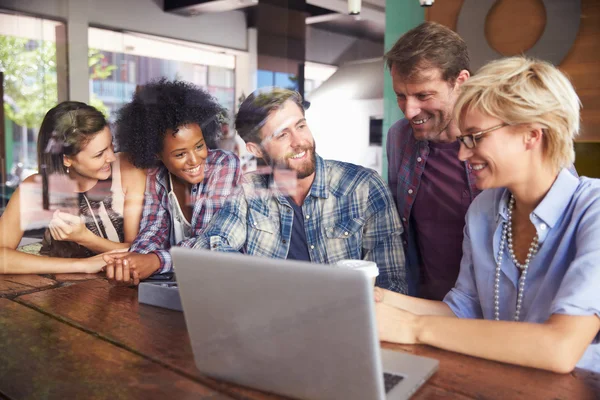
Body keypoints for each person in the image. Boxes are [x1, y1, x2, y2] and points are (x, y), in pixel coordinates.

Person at [376, 56, 600, 373]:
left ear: (532, 134)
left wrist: (413, 326)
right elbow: (463, 308)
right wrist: (379, 299)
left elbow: (560, 348)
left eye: (475, 137)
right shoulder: (484, 209)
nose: (464, 153)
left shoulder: (594, 210)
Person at [193, 87, 407, 293]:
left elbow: (393, 284)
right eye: (282, 135)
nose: (299, 142)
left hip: (343, 322)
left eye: (301, 126)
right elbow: (208, 250)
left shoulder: (364, 187)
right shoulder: (249, 191)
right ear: (256, 149)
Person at [104, 79, 241, 285]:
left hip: (224, 282)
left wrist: (155, 261)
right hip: (179, 283)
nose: (194, 160)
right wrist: (133, 263)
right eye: (180, 154)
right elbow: (153, 229)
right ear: (158, 155)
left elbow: (210, 241)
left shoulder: (224, 165)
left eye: (199, 146)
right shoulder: (156, 176)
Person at [0, 101, 145, 274]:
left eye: (111, 145)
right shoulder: (35, 187)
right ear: (67, 159)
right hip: (59, 290)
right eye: (99, 154)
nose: (111, 157)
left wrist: (85, 238)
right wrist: (82, 266)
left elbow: (142, 255)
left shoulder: (129, 171)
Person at [385, 22, 475, 299]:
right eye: (401, 95)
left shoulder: (504, 141)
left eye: (423, 95)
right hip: (425, 306)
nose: (410, 111)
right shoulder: (399, 138)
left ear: (460, 81)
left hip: (490, 313)